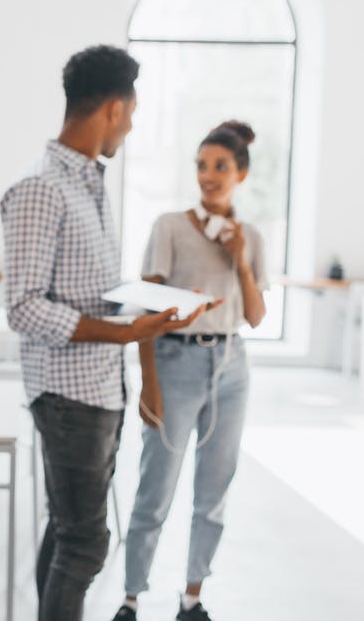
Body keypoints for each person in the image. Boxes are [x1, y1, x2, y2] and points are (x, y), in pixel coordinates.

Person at [0, 45, 211, 621]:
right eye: (134, 113)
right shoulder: (40, 188)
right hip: (67, 397)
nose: (134, 125)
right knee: (88, 542)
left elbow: (87, 285)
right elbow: (22, 307)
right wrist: (124, 335)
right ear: (114, 109)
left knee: (69, 532)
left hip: (97, 390)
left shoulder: (89, 183)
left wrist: (151, 309)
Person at [113, 121, 268, 621]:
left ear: (241, 173)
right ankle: (131, 599)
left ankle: (192, 598)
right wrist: (149, 384)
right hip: (175, 361)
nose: (208, 175)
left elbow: (256, 316)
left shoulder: (251, 237)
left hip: (231, 365)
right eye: (201, 165)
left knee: (214, 489)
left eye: (220, 166)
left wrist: (240, 260)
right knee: (155, 487)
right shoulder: (169, 227)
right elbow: (143, 310)